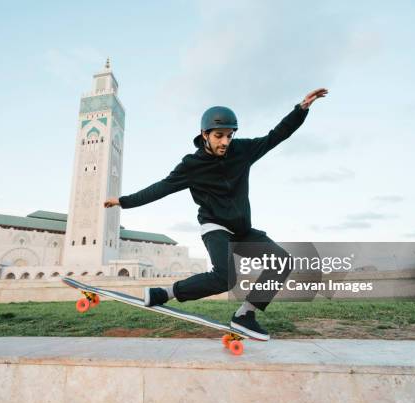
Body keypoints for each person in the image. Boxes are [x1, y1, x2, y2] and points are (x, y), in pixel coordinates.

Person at [104, 88, 328, 340]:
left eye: (229, 136)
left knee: (282, 261)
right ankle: (164, 293)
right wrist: (123, 201)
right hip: (215, 227)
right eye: (219, 136)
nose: (225, 142)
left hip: (242, 230)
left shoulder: (242, 151)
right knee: (225, 277)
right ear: (205, 134)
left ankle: (245, 315)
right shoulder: (192, 165)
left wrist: (301, 110)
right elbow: (161, 188)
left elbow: (275, 137)